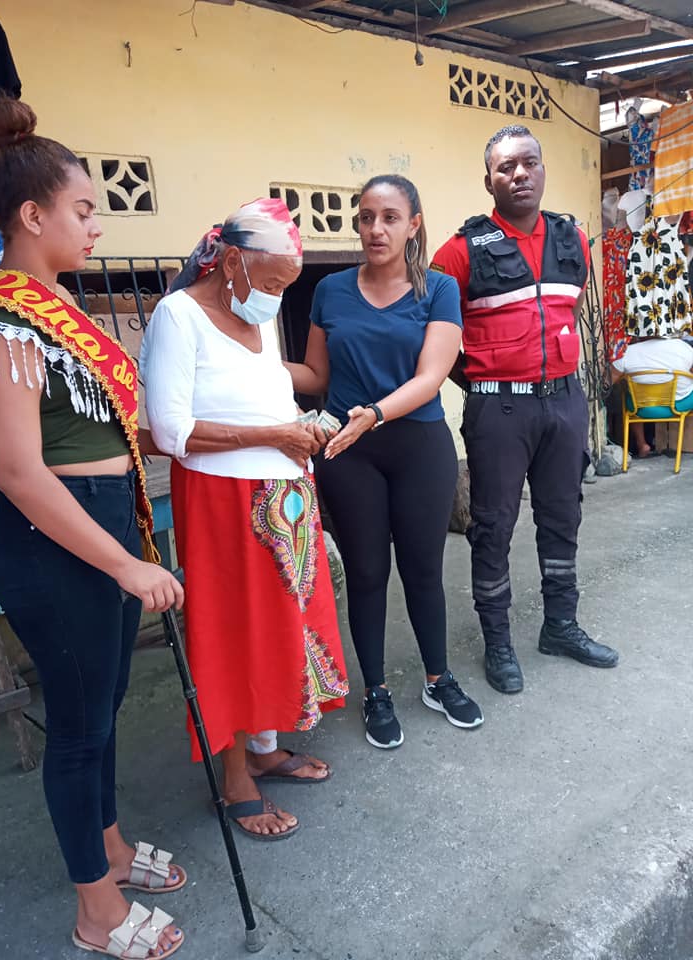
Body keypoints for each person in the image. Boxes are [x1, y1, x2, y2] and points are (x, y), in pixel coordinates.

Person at [0, 99, 186, 958]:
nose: (97, 226)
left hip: (97, 528)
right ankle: (96, 912)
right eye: (85, 209)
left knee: (101, 706)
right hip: (52, 542)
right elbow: (19, 472)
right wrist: (127, 564)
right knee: (78, 725)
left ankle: (111, 850)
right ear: (33, 216)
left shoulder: (53, 304)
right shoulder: (2, 318)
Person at [140, 198, 349, 840]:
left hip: (284, 501)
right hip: (223, 506)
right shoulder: (179, 316)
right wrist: (275, 436)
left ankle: (263, 749)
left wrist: (300, 432)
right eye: (274, 282)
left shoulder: (257, 314)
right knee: (231, 631)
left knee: (279, 629)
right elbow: (170, 431)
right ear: (232, 261)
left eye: (287, 286)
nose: (277, 297)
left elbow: (267, 401)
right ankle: (234, 777)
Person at [286, 174, 483, 751]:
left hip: (418, 447)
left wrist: (373, 413)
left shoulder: (438, 289)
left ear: (413, 225)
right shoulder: (330, 290)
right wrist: (243, 360)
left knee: (423, 571)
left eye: (390, 217)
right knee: (367, 574)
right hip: (349, 454)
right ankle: (375, 690)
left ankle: (438, 679)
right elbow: (315, 376)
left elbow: (431, 377)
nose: (376, 229)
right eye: (366, 217)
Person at [431, 124, 619, 695]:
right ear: (488, 179)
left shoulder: (573, 239)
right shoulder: (459, 252)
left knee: (563, 517)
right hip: (498, 411)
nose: (519, 174)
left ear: (542, 169)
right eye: (505, 167)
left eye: (529, 163)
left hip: (564, 401)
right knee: (492, 527)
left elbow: (567, 312)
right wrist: (482, 380)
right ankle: (499, 642)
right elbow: (434, 336)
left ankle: (560, 626)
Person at [611, 335, 693, 456]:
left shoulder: (626, 352)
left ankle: (642, 445)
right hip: (678, 406)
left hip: (641, 409)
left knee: (629, 395)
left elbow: (608, 383)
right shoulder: (683, 347)